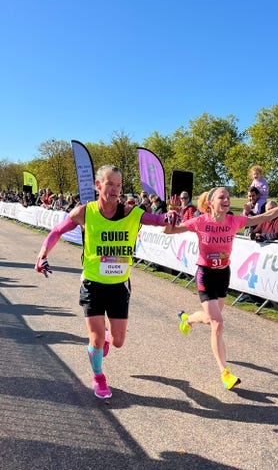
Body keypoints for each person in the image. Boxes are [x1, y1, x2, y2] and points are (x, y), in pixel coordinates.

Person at [35, 165, 178, 399]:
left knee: (118, 341)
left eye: (119, 185)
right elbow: (57, 231)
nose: (115, 189)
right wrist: (42, 254)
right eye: (110, 184)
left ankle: (107, 340)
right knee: (96, 338)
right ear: (98, 185)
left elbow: (159, 220)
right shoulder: (84, 212)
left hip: (119, 285)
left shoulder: (132, 213)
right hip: (92, 284)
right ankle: (99, 377)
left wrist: (170, 215)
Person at [164, 185, 278, 389]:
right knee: (217, 323)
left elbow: (265, 217)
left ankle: (187, 319)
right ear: (211, 203)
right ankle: (224, 372)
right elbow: (169, 231)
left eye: (228, 197)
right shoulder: (200, 221)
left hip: (223, 275)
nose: (227, 200)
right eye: (222, 197)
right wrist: (173, 212)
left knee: (213, 320)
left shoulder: (234, 221)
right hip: (205, 275)